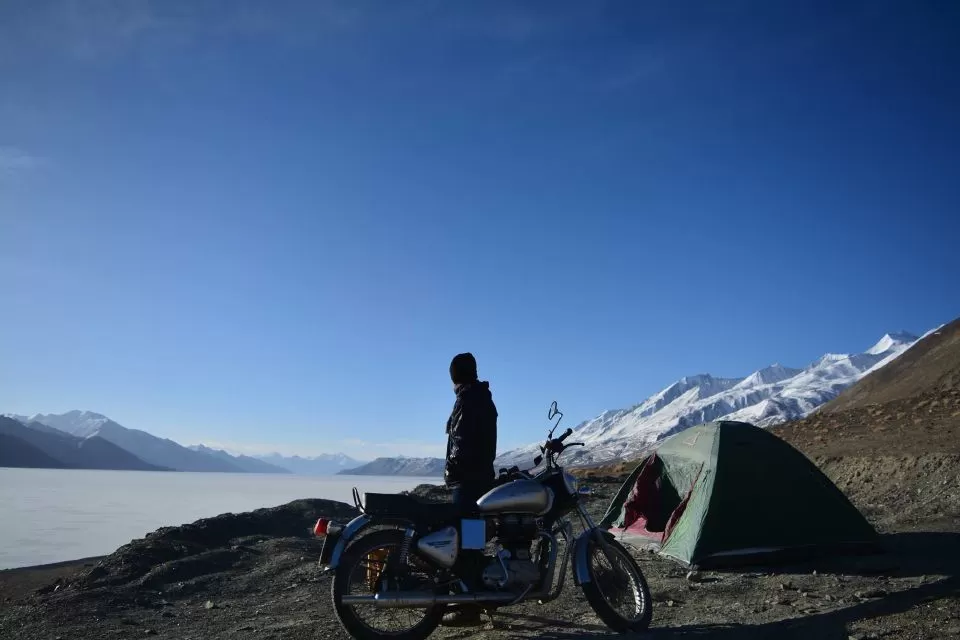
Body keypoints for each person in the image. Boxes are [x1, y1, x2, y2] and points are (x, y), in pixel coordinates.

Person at [441, 352, 498, 627]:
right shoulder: (476, 397)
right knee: (470, 541)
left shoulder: (470, 399)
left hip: (470, 483)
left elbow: (462, 444)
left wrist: (454, 467)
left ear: (455, 376)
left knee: (467, 543)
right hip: (474, 480)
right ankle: (475, 597)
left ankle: (469, 606)